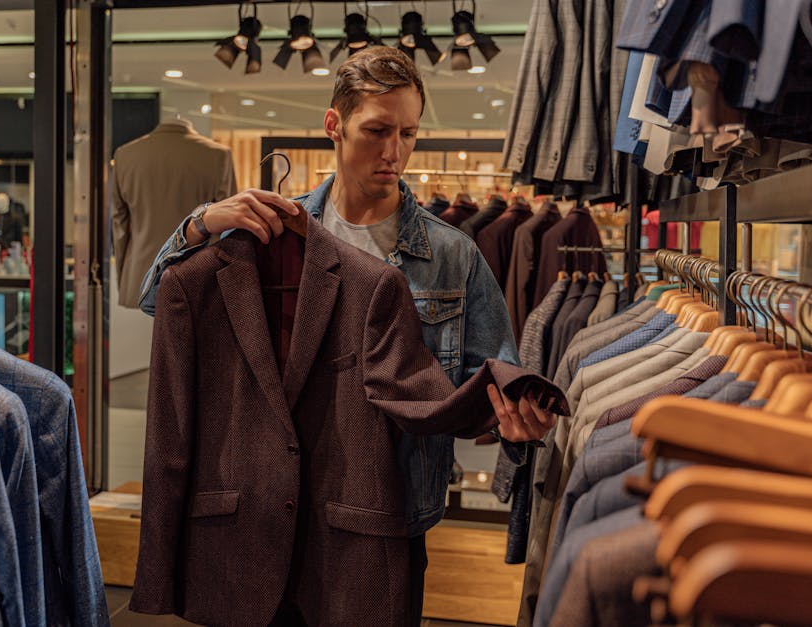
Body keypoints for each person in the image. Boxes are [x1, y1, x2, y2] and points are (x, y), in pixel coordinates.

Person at [137, 46, 555, 625]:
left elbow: (492, 377)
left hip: (388, 513)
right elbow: (162, 301)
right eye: (377, 130)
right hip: (259, 511)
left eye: (408, 133)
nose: (395, 152)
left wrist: (515, 427)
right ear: (334, 125)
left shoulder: (452, 255)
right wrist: (198, 226)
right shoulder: (269, 230)